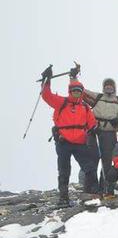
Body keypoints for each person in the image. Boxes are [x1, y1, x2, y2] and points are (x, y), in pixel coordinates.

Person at [41, 66, 98, 207]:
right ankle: (63, 198)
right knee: (64, 170)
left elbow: (92, 123)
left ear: (81, 92)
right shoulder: (62, 102)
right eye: (74, 91)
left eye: (79, 91)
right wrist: (46, 81)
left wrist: (96, 129)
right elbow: (46, 96)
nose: (77, 93)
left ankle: (91, 192)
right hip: (63, 141)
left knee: (89, 167)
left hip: (80, 142)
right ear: (70, 91)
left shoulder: (85, 107)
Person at [77, 78, 118, 192]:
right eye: (106, 85)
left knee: (107, 161)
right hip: (94, 131)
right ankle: (90, 187)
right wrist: (74, 78)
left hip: (110, 133)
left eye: (111, 86)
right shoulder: (97, 97)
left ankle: (105, 187)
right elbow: (82, 91)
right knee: (92, 159)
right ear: (103, 87)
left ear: (114, 87)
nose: (108, 87)